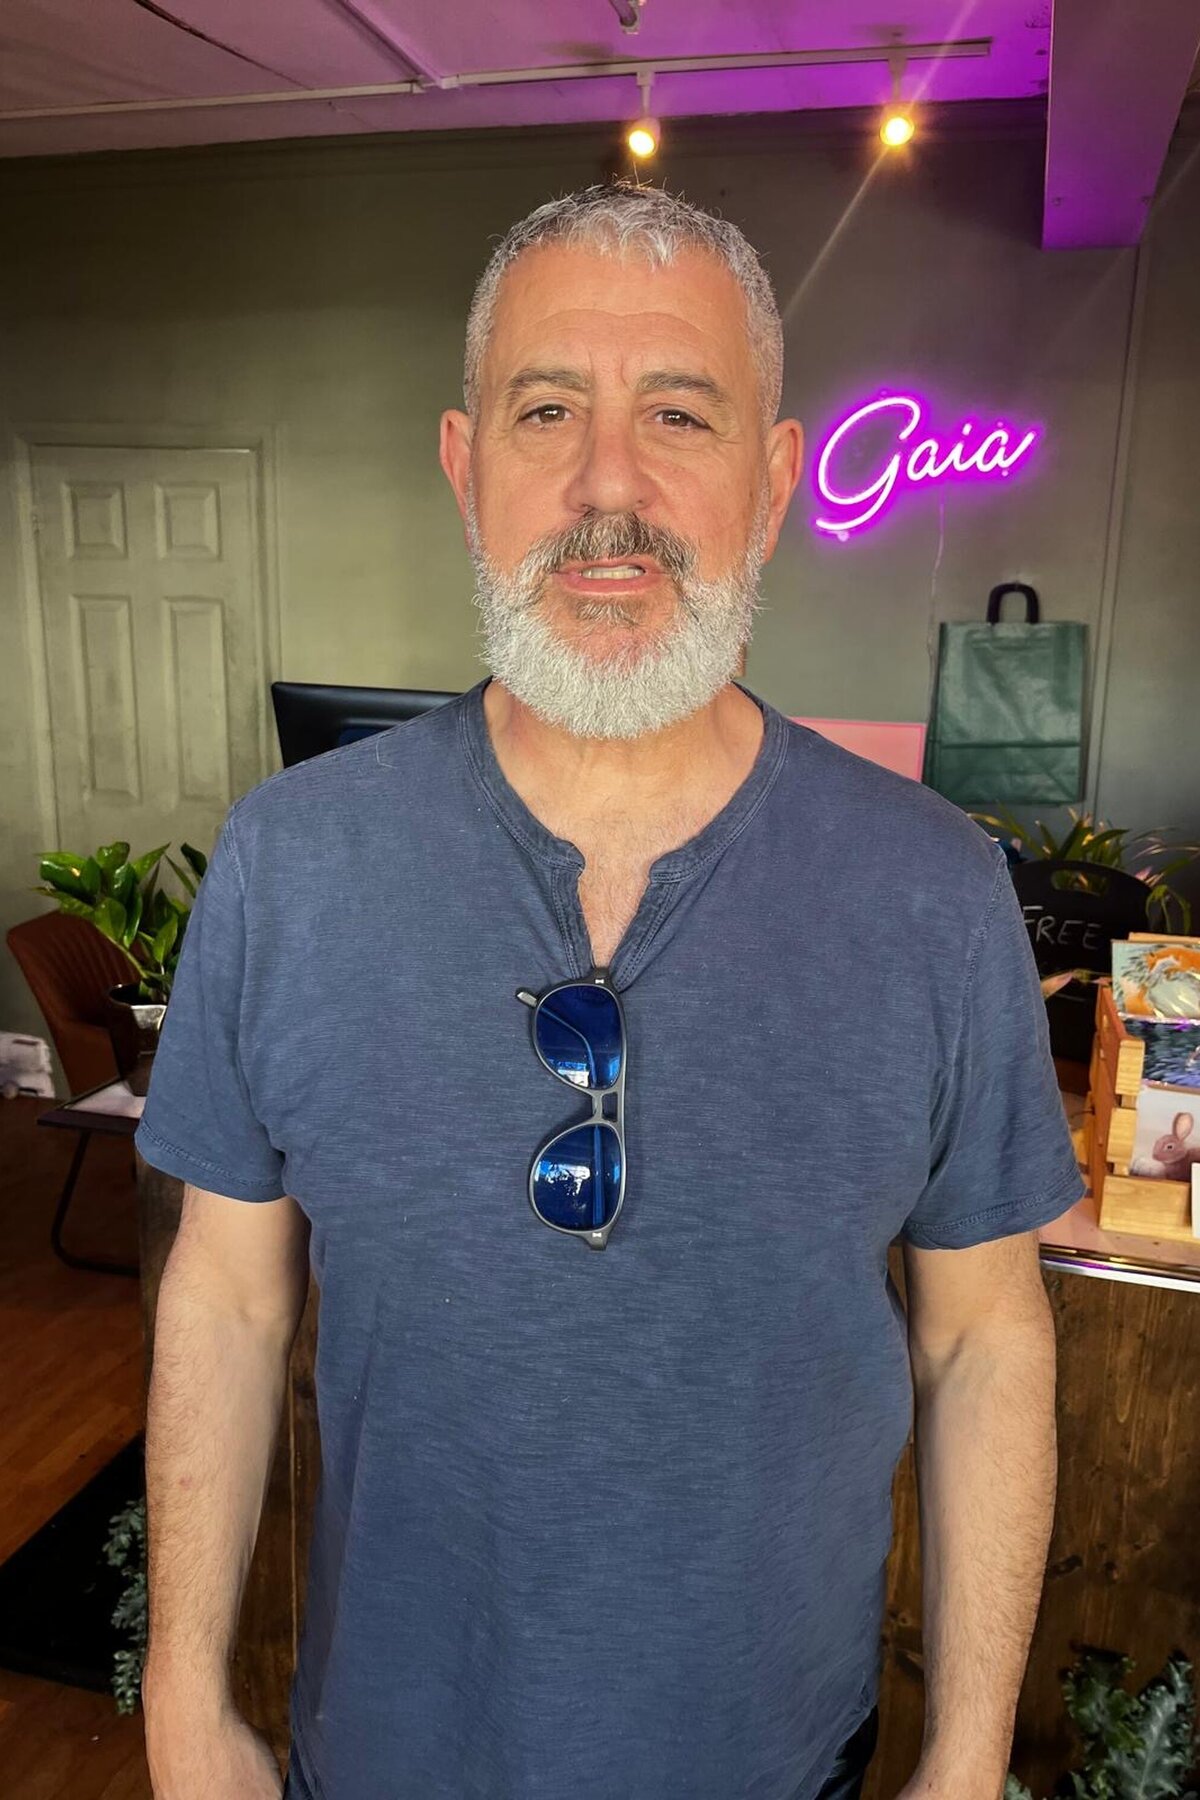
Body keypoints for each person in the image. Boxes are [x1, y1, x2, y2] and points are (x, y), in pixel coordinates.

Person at [136, 182, 1085, 1800]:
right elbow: (225, 1299)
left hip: (780, 1765)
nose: (608, 488)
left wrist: (970, 1754)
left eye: (680, 415)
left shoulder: (934, 890)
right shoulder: (292, 863)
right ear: (466, 468)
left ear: (775, 483)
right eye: (547, 409)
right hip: (379, 1758)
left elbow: (983, 1338)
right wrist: (180, 1693)